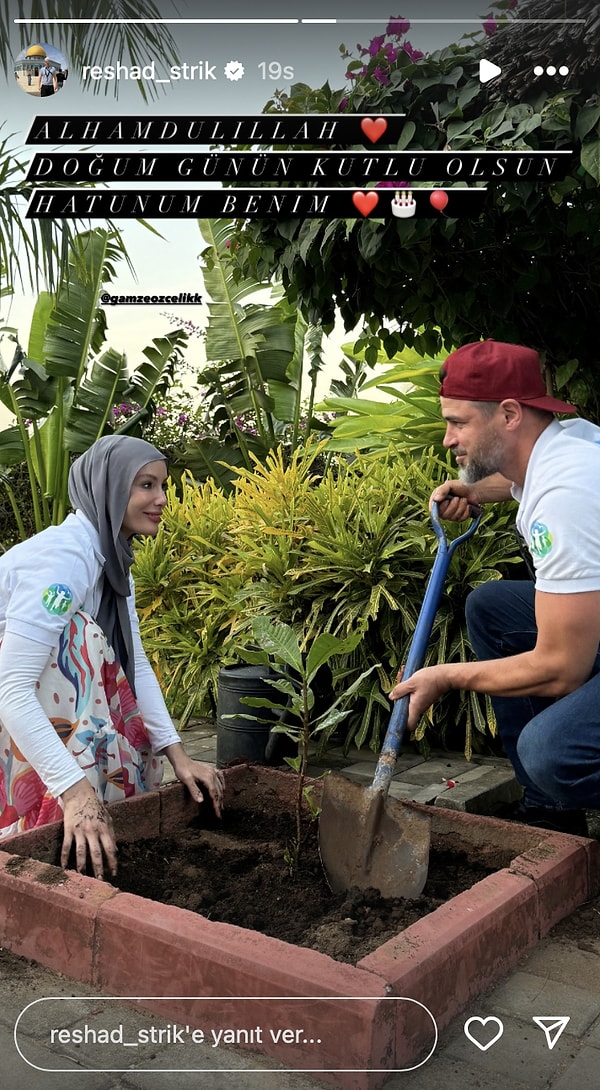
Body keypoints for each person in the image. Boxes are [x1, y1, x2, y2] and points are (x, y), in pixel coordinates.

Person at [389, 339, 600, 836]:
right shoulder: (567, 441)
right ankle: (549, 811)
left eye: (458, 422)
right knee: (492, 607)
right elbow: (517, 481)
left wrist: (445, 677)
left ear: (508, 414)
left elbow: (560, 669)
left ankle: (553, 786)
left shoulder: (566, 493)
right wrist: (475, 491)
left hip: (574, 653)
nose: (447, 439)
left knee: (553, 752)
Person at [0, 435, 225, 878]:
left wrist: (179, 755)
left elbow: (135, 663)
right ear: (108, 488)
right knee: (80, 637)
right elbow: (11, 688)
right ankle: (45, 827)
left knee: (95, 646)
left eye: (162, 485)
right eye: (145, 485)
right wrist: (74, 791)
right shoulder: (65, 561)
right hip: (11, 710)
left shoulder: (111, 560)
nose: (161, 499)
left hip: (24, 710)